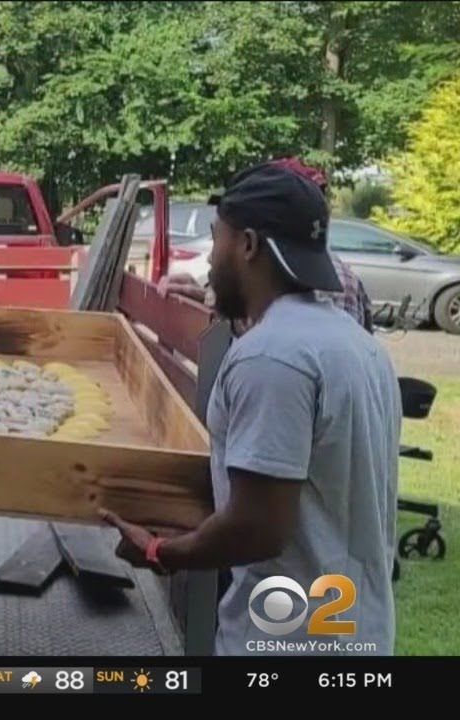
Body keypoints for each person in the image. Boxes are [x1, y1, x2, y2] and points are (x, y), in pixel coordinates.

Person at [100, 162, 402, 656]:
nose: (212, 256)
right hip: (357, 638)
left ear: (247, 245)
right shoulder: (360, 347)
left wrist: (160, 551)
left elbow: (258, 528)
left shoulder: (271, 356)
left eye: (218, 237)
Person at [160, 157, 374, 333]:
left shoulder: (328, 287)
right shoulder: (335, 278)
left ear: (249, 243)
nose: (210, 256)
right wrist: (212, 301)